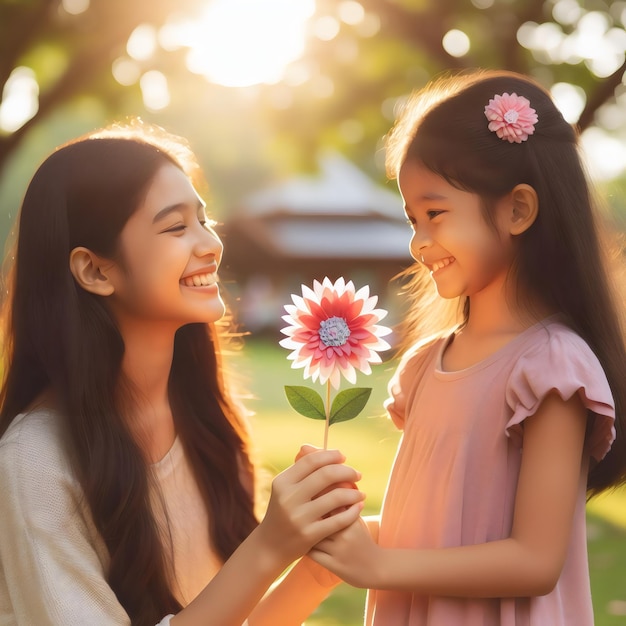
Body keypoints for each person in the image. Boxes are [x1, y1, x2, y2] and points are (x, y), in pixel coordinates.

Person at [0, 121, 365, 626]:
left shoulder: (204, 419)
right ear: (95, 271)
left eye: (204, 219)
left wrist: (316, 568)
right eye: (176, 227)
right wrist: (267, 546)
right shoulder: (33, 464)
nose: (211, 244)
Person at [308, 69, 626, 625]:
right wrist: (348, 534)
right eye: (412, 218)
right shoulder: (425, 366)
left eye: (435, 213)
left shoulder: (551, 367)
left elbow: (535, 561)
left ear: (518, 210)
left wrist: (378, 566)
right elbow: (435, 530)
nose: (418, 241)